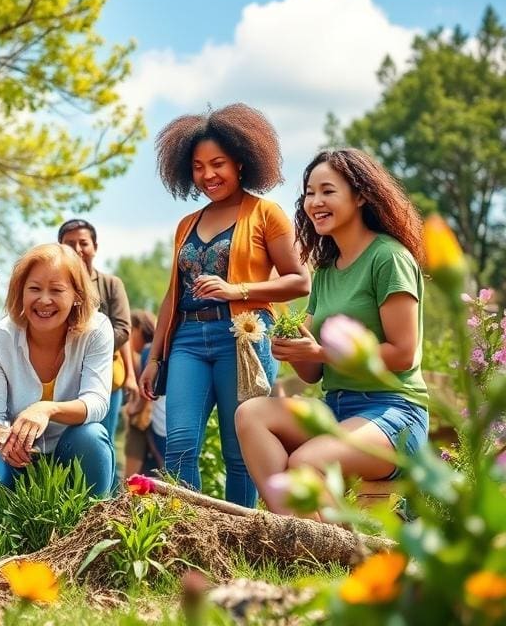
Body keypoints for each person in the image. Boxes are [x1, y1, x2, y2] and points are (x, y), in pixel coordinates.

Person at [235, 149, 429, 515]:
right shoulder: (326, 271)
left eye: (327, 191)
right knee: (251, 415)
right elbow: (313, 372)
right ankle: (296, 536)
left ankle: (335, 551)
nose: (315, 202)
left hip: (393, 413)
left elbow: (404, 352)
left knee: (307, 462)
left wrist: (321, 352)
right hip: (336, 408)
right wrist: (294, 349)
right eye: (310, 192)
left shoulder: (388, 258)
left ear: (361, 195)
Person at [139, 103, 310, 508]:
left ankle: (240, 537)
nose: (207, 175)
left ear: (241, 162)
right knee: (179, 443)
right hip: (187, 342)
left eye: (217, 164)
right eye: (198, 167)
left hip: (244, 339)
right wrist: (154, 357)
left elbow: (299, 280)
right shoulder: (187, 224)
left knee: (240, 449)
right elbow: (172, 296)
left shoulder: (266, 214)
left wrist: (239, 291)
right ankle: (186, 532)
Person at [0, 243, 114, 508]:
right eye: (34, 289)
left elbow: (96, 403)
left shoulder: (96, 330)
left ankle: (86, 529)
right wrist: (7, 439)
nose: (44, 300)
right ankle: (3, 539)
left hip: (71, 447)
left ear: (77, 295)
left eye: (57, 290)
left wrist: (46, 409)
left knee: (92, 437)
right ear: (20, 291)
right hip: (16, 455)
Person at [57, 219, 138, 455]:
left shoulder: (111, 285)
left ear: (95, 247)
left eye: (84, 243)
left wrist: (82, 344)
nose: (78, 249)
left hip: (105, 374)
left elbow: (123, 330)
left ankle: (107, 493)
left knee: (102, 441)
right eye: (70, 243)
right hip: (58, 372)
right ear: (59, 246)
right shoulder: (52, 283)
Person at [124, 310, 165, 478]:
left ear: (139, 328)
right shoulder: (161, 349)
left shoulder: (149, 351)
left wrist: (133, 408)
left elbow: (145, 391)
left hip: (161, 421)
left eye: (130, 331)